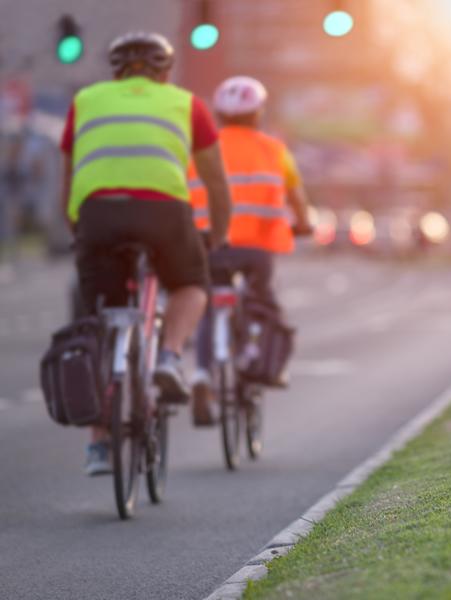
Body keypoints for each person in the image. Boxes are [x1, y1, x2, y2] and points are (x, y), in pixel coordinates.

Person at [60, 31, 232, 475]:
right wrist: (217, 235)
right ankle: (170, 356)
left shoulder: (86, 101)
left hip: (98, 215)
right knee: (192, 285)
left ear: (115, 71)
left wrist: (77, 225)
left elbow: (70, 171)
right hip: (164, 213)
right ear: (166, 71)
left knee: (99, 320)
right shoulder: (186, 103)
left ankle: (98, 446)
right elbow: (215, 182)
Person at [187, 76, 312, 425]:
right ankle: (253, 352)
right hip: (257, 249)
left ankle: (201, 375)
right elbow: (297, 197)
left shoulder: (200, 150)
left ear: (218, 115)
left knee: (209, 306)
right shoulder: (275, 150)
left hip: (209, 244)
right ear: (258, 113)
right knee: (261, 302)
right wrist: (304, 223)